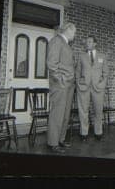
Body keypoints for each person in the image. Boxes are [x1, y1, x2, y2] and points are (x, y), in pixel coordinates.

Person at [46, 22, 76, 152]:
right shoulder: (56, 41)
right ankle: (53, 143)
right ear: (68, 30)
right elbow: (52, 64)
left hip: (69, 85)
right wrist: (61, 80)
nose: (74, 35)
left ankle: (60, 139)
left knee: (65, 114)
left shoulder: (66, 44)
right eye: (74, 32)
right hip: (61, 85)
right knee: (57, 114)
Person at [76, 34, 108, 141]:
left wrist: (102, 84)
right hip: (84, 87)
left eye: (89, 42)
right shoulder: (81, 56)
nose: (87, 43)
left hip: (98, 88)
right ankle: (84, 133)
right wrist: (79, 83)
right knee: (83, 111)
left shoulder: (102, 56)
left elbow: (106, 73)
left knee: (98, 110)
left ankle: (98, 132)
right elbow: (77, 72)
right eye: (86, 42)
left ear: (95, 44)